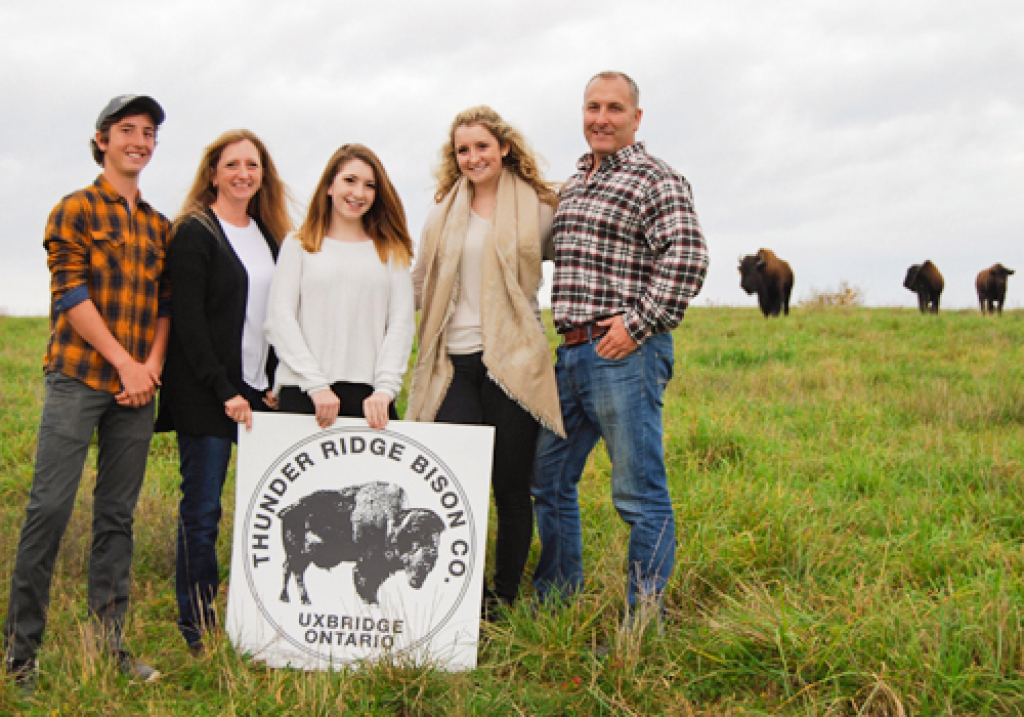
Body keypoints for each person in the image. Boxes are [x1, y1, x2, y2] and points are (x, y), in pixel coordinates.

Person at [4, 94, 171, 688]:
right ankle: (22, 654)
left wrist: (148, 368)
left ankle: (111, 647)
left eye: (148, 132)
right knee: (49, 510)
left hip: (135, 391)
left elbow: (164, 307)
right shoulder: (72, 209)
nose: (139, 141)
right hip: (79, 378)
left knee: (116, 518)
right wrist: (124, 363)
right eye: (127, 130)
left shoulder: (159, 226)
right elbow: (70, 295)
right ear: (102, 139)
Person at [531, 72, 709, 624]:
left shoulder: (656, 178)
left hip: (624, 355)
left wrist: (636, 326)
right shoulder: (575, 183)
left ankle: (644, 620)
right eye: (591, 107)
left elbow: (687, 259)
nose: (600, 118)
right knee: (548, 478)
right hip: (572, 354)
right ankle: (557, 598)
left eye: (613, 108)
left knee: (637, 492)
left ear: (636, 117)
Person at [407, 106, 565, 619]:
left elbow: (580, 254)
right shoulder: (442, 211)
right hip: (455, 361)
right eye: (462, 150)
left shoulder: (541, 207)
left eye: (481, 146)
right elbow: (418, 281)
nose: (472, 157)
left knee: (511, 486)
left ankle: (505, 596)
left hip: (513, 360)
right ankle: (463, 597)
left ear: (503, 148)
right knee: (459, 482)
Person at [154, 129, 292, 654]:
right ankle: (197, 623)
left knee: (263, 508)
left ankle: (262, 612)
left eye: (252, 165)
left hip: (259, 394)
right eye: (232, 164)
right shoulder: (196, 232)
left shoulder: (269, 234)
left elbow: (275, 318)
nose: (243, 173)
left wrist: (273, 383)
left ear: (263, 174)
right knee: (203, 510)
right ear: (213, 172)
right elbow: (189, 323)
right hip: (209, 397)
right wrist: (224, 390)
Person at [265, 144, 414, 430]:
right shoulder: (298, 246)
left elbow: (400, 324)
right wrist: (316, 384)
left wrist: (384, 390)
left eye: (369, 185)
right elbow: (280, 319)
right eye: (350, 180)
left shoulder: (391, 252)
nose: (359, 193)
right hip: (305, 393)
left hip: (371, 402)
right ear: (329, 186)